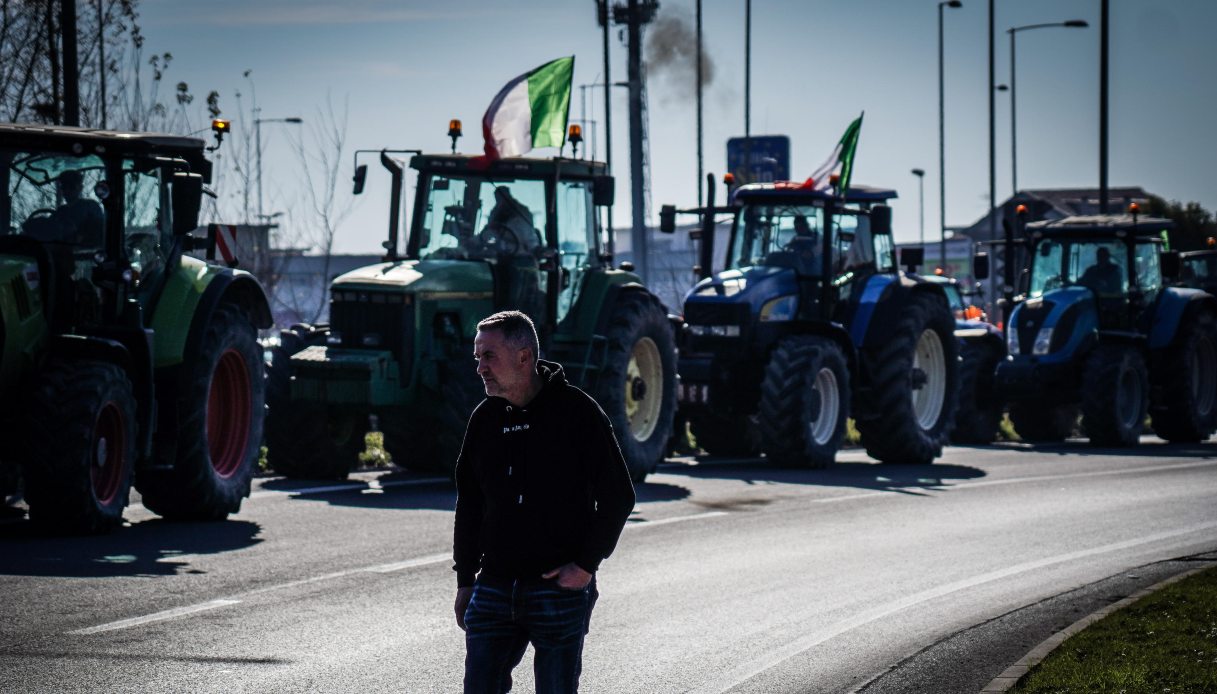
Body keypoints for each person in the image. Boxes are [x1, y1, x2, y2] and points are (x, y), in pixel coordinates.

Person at [453, 310, 636, 694]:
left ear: (524, 356)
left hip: (558, 589)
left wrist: (586, 565)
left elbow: (619, 496)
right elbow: (469, 502)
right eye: (478, 357)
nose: (480, 368)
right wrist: (466, 580)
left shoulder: (577, 412)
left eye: (489, 356)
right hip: (495, 588)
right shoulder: (484, 419)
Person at [30, 170, 104, 246]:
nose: (67, 190)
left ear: (80, 188)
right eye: (64, 187)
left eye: (71, 187)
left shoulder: (90, 206)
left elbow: (99, 230)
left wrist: (79, 234)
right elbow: (46, 229)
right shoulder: (61, 211)